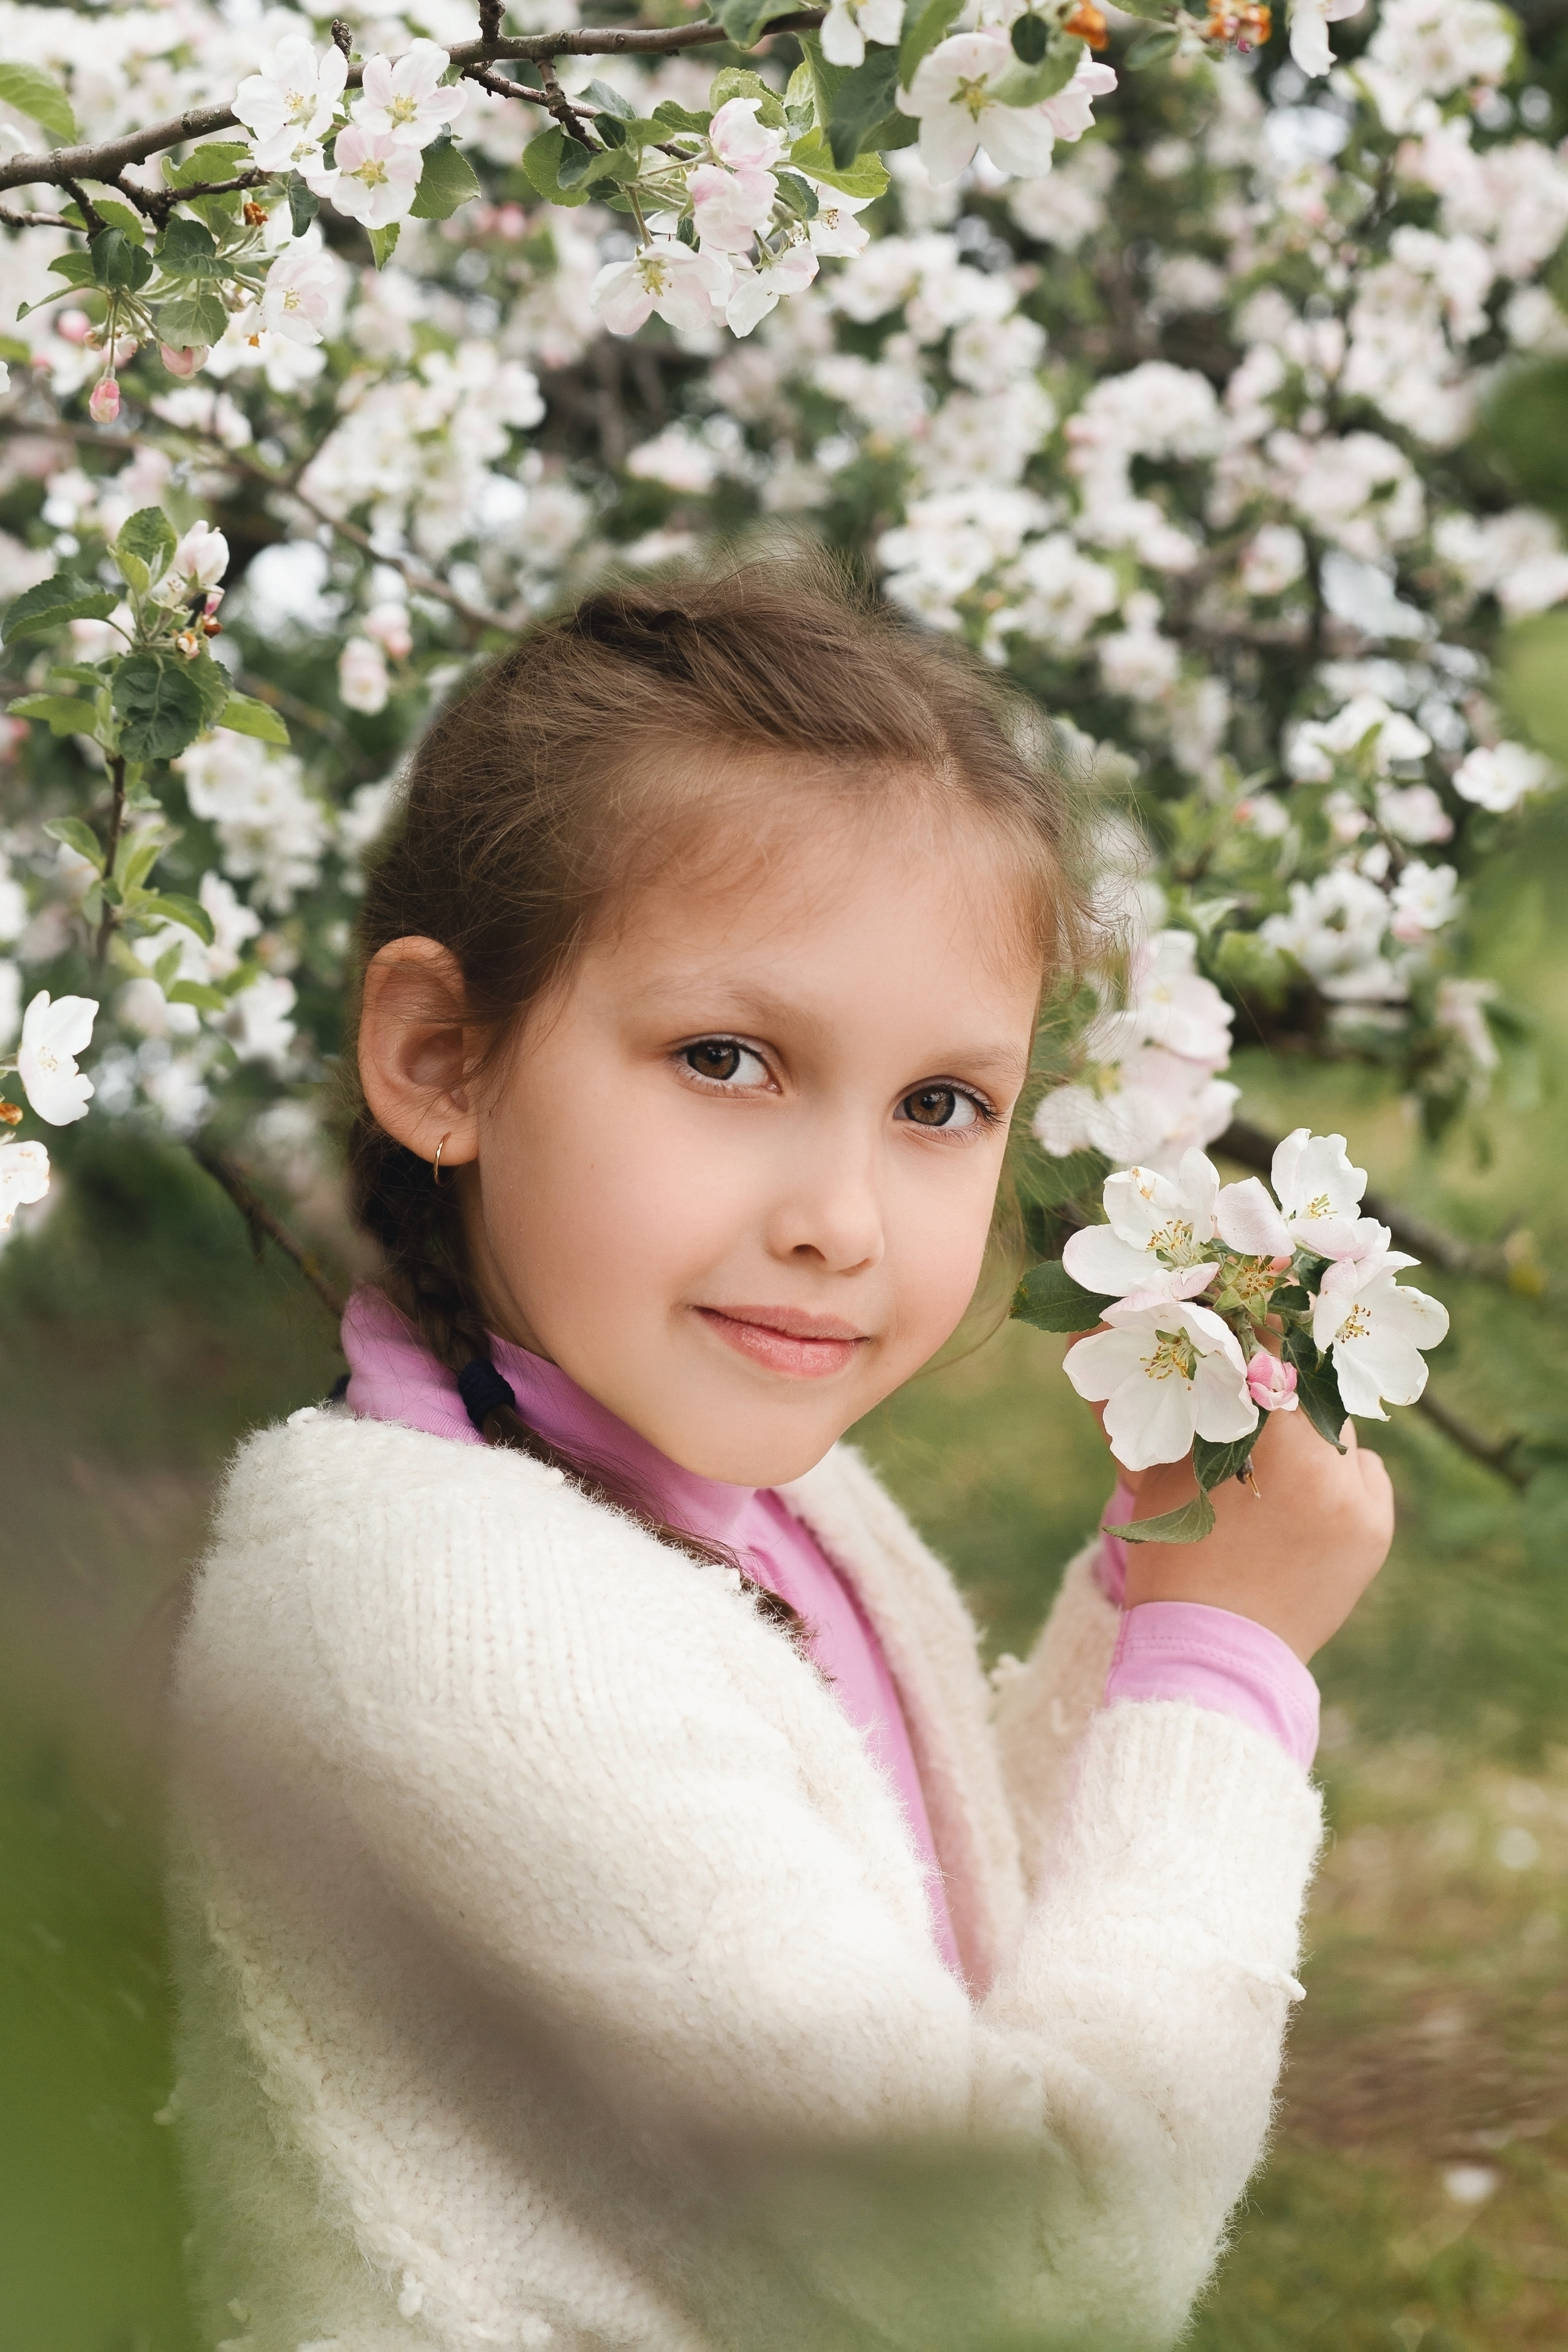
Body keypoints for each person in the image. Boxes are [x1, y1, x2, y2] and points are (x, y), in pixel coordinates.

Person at [167, 552, 1393, 2352]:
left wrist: (1151, 1601)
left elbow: (951, 1960)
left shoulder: (740, 1496)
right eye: (729, 1058)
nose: (840, 1218)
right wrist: (1224, 1675)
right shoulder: (451, 1627)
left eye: (938, 1106)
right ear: (443, 1056)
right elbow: (1033, 2276)